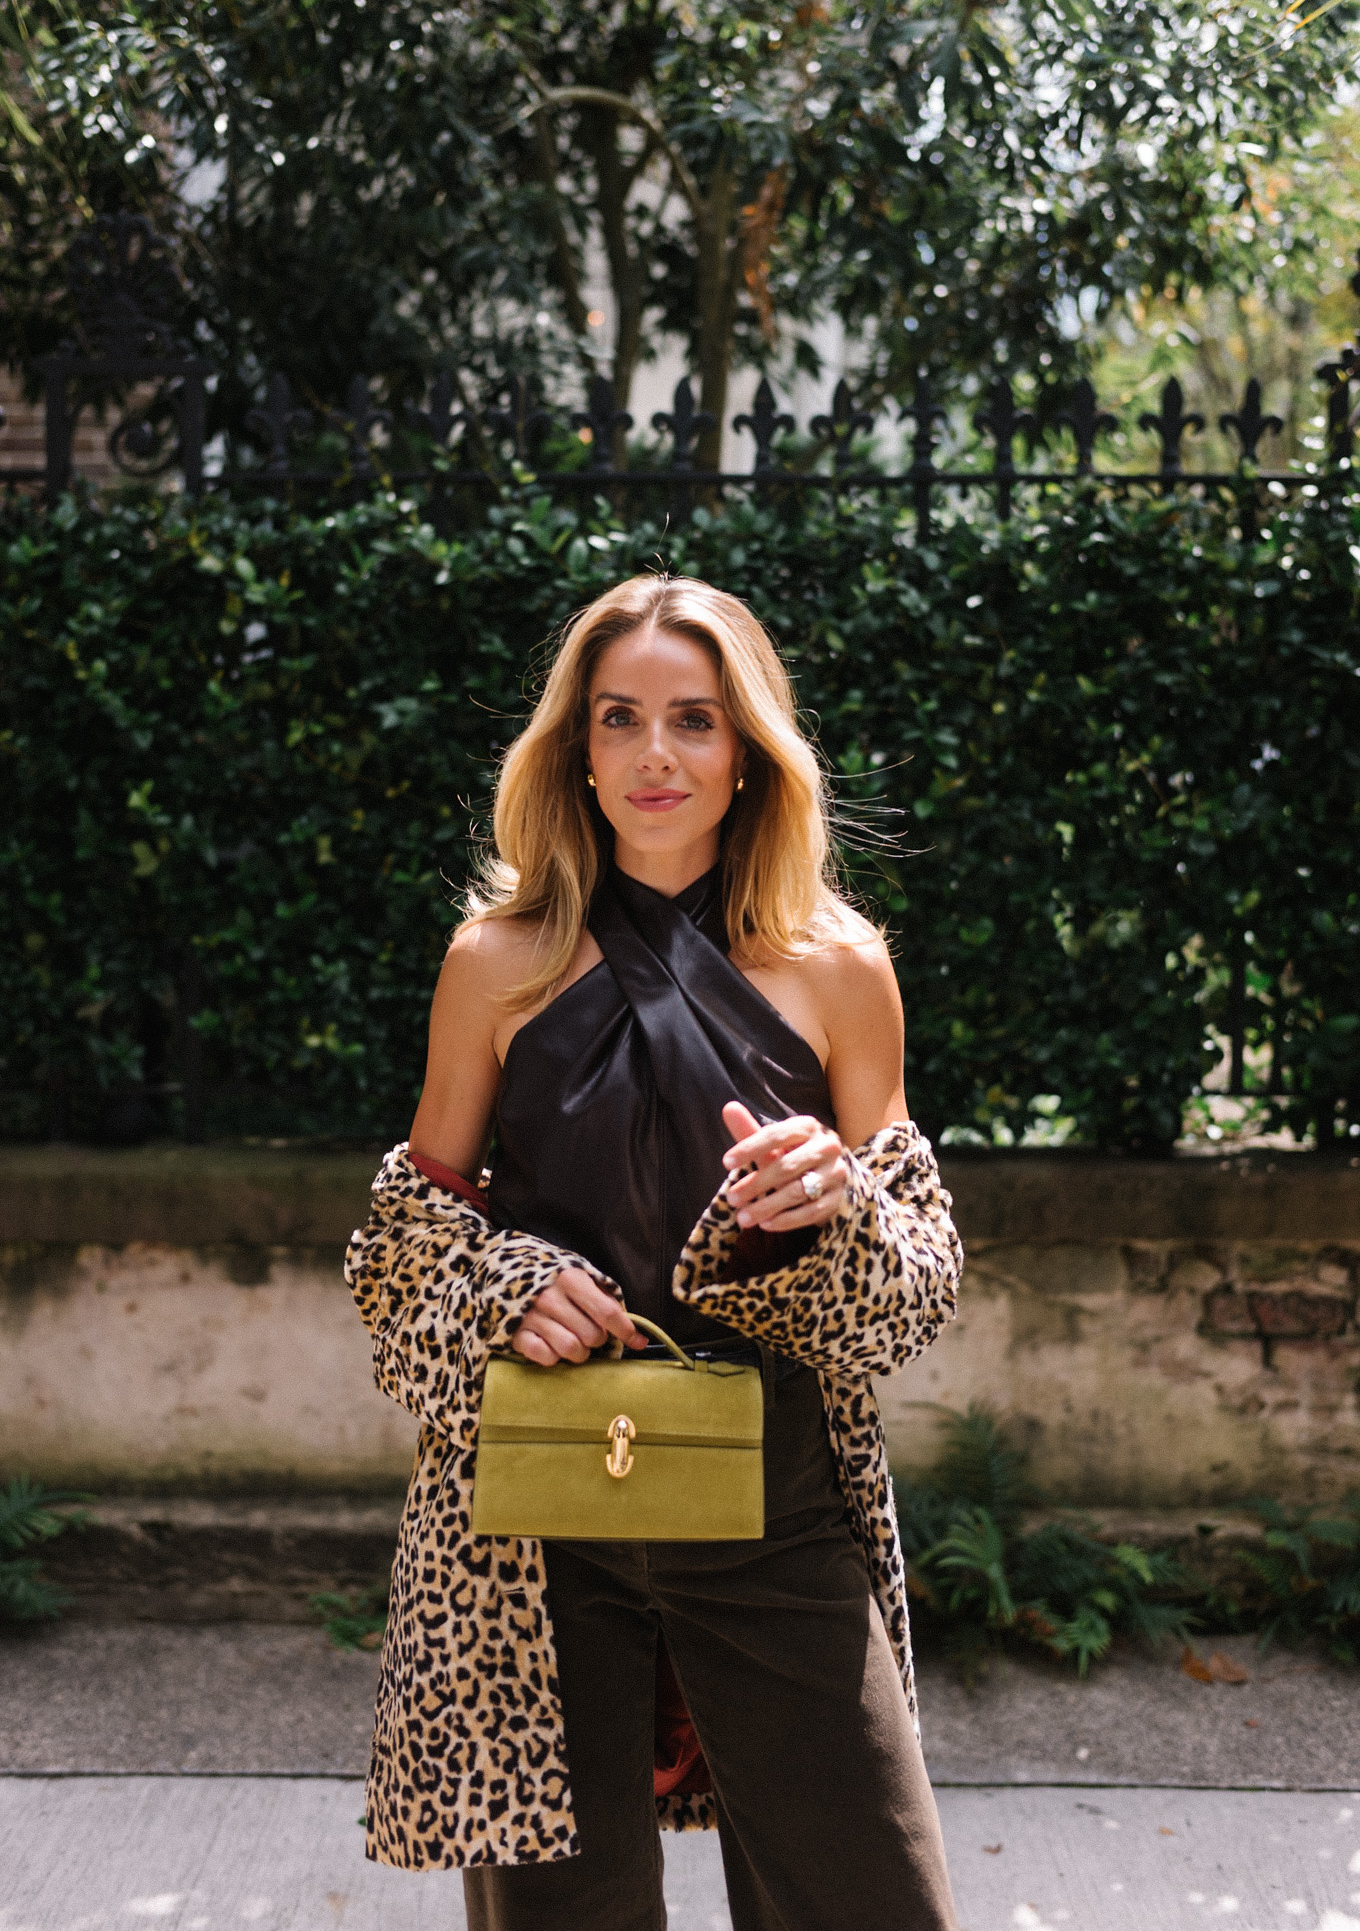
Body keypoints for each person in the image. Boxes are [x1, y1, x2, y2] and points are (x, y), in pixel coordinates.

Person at [345, 572, 964, 1930]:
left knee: (872, 1902)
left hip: (777, 1502)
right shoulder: (495, 960)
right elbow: (403, 1249)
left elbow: (922, 1279)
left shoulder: (840, 966)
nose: (656, 756)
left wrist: (838, 1209)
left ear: (748, 752)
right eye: (620, 719)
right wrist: (508, 1285)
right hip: (538, 1516)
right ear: (578, 748)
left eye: (694, 720)